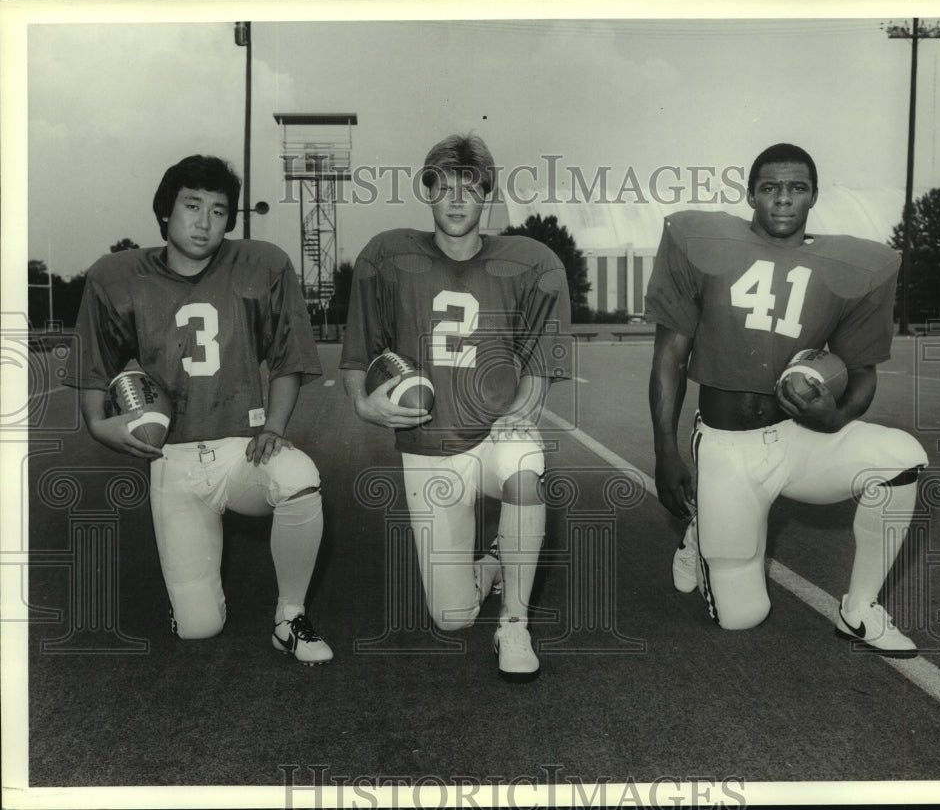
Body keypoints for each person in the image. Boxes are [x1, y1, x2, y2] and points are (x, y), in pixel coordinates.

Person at [647, 142, 928, 655]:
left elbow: (862, 371)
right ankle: (703, 524)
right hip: (727, 446)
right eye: (771, 187)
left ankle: (859, 610)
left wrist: (836, 414)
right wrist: (665, 450)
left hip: (797, 439)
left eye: (796, 188)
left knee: (901, 459)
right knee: (743, 617)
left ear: (813, 196)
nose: (783, 199)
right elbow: (669, 357)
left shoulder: (846, 266)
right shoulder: (702, 244)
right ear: (750, 194)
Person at [68, 154, 332, 665]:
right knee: (199, 629)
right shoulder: (118, 277)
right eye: (191, 206)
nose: (204, 221)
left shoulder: (261, 266)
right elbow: (94, 366)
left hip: (241, 451)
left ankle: (290, 617)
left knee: (299, 476)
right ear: (165, 211)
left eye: (217, 210)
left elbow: (289, 358)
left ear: (230, 220)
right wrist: (99, 426)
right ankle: (186, 599)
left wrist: (275, 426)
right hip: (174, 462)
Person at [340, 133, 571, 682]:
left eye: (472, 187)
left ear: (488, 194)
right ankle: (493, 563)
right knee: (451, 617)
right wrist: (363, 403)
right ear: (426, 192)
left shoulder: (529, 261)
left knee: (524, 466)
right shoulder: (387, 255)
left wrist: (525, 407)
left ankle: (514, 623)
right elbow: (358, 354)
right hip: (429, 446)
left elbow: (541, 358)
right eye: (443, 186)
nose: (458, 199)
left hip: (493, 435)